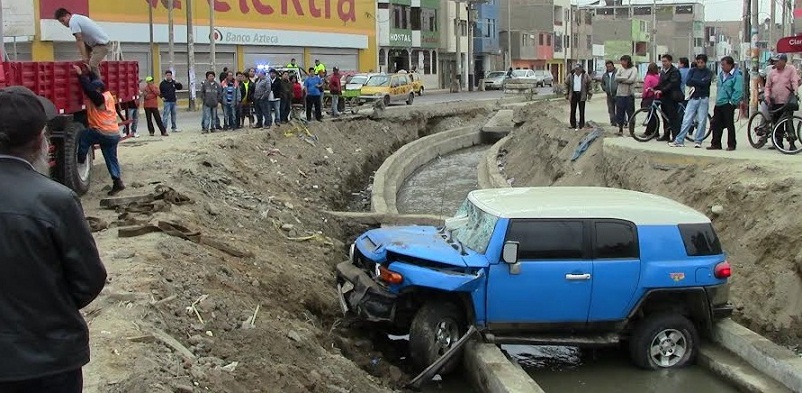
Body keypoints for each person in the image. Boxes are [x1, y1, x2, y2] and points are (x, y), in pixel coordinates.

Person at [0, 85, 107, 393]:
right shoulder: (55, 200)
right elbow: (89, 279)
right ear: (41, 141)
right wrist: (48, 305)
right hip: (48, 358)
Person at [72, 65, 127, 195]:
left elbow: (88, 90)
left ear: (97, 89)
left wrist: (80, 75)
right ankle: (117, 181)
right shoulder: (107, 96)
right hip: (113, 133)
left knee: (84, 137)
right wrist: (90, 72)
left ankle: (80, 159)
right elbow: (95, 83)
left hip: (101, 132)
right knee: (111, 158)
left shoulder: (99, 98)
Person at [671, 54, 713, 148]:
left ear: (705, 63)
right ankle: (679, 140)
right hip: (692, 98)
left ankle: (698, 141)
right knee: (686, 119)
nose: (700, 64)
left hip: (703, 98)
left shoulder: (708, 72)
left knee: (702, 120)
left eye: (702, 62)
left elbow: (706, 83)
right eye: (698, 62)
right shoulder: (692, 70)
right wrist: (699, 81)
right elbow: (688, 82)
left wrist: (696, 81)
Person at [55, 8, 110, 78]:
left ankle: (98, 85)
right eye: (61, 22)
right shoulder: (77, 17)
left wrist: (84, 57)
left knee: (92, 64)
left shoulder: (73, 22)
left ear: (68, 15)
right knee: (86, 62)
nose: (64, 24)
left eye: (63, 20)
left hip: (102, 45)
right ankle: (89, 76)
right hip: (92, 43)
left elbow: (79, 39)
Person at [762, 53, 799, 151]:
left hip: (787, 102)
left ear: (783, 61)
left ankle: (792, 142)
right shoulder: (772, 72)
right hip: (775, 101)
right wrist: (767, 96)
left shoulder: (791, 69)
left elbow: (794, 81)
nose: (775, 63)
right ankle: (778, 143)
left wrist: (795, 92)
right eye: (774, 61)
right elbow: (767, 86)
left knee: (789, 122)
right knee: (777, 122)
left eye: (777, 61)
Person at [707, 56, 744, 151]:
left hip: (728, 103)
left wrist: (732, 102)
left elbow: (738, 91)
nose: (722, 67)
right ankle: (716, 143)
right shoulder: (721, 74)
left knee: (729, 124)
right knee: (716, 124)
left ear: (730, 65)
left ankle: (731, 144)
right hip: (719, 102)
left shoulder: (737, 76)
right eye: (721, 65)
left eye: (724, 65)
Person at [653, 54, 682, 142]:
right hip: (664, 97)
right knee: (665, 117)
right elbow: (661, 83)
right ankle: (666, 135)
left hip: (672, 97)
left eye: (665, 61)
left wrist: (662, 90)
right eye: (662, 61)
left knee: (673, 117)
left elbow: (672, 84)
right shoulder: (663, 71)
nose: (664, 63)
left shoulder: (674, 71)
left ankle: (675, 136)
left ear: (670, 61)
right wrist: (654, 88)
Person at [615, 55, 638, 135]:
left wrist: (621, 80)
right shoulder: (620, 69)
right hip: (620, 94)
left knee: (631, 113)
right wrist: (625, 78)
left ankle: (632, 131)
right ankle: (620, 129)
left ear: (628, 61)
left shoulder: (633, 69)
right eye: (621, 61)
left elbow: (631, 80)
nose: (622, 63)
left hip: (629, 94)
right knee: (619, 113)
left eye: (624, 61)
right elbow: (616, 78)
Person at [564, 64, 592, 130]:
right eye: (576, 69)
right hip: (573, 94)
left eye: (578, 69)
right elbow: (566, 84)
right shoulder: (571, 75)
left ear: (581, 69)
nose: (577, 70)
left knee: (581, 110)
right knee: (573, 110)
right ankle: (573, 124)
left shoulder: (585, 76)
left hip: (582, 94)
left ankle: (581, 125)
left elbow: (589, 84)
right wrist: (566, 93)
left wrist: (589, 93)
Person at [640, 63, 661, 138]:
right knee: (653, 114)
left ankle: (649, 132)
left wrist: (643, 96)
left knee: (651, 115)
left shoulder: (648, 77)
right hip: (657, 96)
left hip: (650, 97)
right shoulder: (658, 77)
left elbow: (646, 88)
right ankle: (655, 131)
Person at [601, 60, 618, 127]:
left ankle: (621, 121)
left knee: (619, 109)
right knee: (611, 109)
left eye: (610, 66)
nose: (609, 68)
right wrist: (605, 88)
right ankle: (613, 122)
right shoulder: (605, 75)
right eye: (607, 67)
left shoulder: (617, 73)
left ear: (613, 66)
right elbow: (602, 83)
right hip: (609, 95)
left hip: (617, 94)